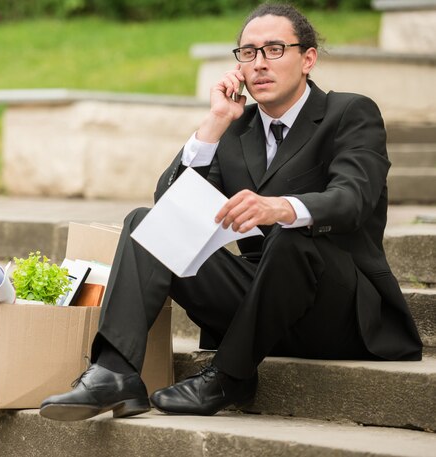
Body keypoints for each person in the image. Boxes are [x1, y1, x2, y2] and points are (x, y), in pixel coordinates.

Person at [39, 2, 423, 422]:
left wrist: (278, 208)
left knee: (291, 237)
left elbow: (353, 200)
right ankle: (115, 372)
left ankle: (230, 376)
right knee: (144, 222)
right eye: (248, 52)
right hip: (258, 302)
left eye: (274, 49)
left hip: (337, 308)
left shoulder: (349, 113)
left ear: (307, 58)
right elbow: (170, 205)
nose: (259, 63)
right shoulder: (236, 129)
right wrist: (215, 123)